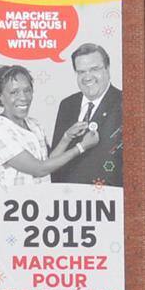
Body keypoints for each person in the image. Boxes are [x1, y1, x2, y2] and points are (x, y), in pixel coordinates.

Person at [0, 62, 98, 186]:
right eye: (14, 92)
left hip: (41, 201)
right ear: (0, 96)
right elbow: (39, 169)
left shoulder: (34, 125)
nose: (23, 97)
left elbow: (48, 162)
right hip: (13, 203)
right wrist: (81, 147)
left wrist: (66, 137)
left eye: (27, 90)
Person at [48, 40, 123, 187]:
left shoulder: (124, 103)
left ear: (107, 69)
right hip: (65, 198)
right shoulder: (67, 105)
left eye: (94, 69)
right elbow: (54, 161)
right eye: (81, 71)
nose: (87, 77)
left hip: (107, 200)